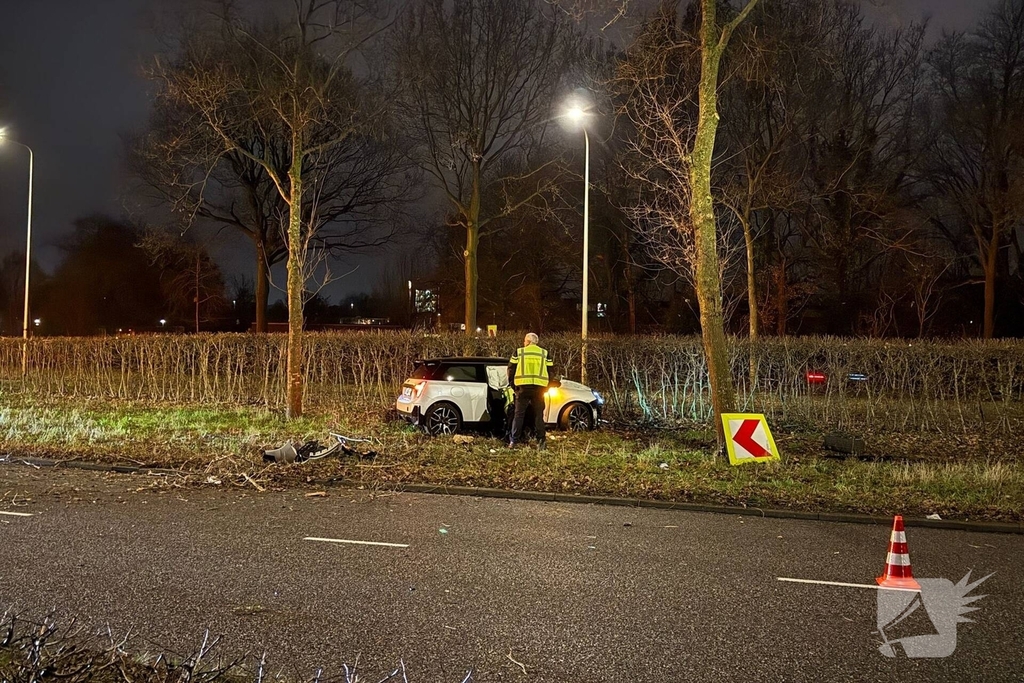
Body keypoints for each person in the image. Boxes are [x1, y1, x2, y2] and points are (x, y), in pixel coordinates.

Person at [507, 332, 553, 450]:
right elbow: (551, 371)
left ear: (528, 342)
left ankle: (514, 441)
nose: (523, 343)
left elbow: (511, 369)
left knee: (518, 415)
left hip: (522, 388)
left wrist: (513, 385)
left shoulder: (519, 352)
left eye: (524, 341)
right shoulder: (545, 353)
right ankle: (541, 442)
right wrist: (546, 386)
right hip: (539, 389)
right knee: (538, 415)